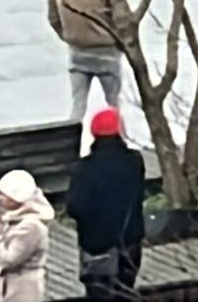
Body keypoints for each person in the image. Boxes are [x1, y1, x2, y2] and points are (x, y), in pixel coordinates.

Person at [67, 108, 145, 301]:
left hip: (97, 246)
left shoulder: (84, 169)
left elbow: (75, 207)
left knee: (98, 295)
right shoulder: (134, 161)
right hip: (129, 242)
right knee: (125, 293)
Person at [48, 0, 131, 122]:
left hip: (77, 50)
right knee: (114, 105)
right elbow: (121, 18)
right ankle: (120, 144)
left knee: (77, 106)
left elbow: (53, 18)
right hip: (106, 51)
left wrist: (69, 36)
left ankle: (71, 145)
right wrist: (123, 44)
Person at [0, 170, 54, 302]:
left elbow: (8, 259)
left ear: (16, 198)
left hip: (21, 290)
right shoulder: (17, 218)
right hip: (12, 286)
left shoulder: (31, 227)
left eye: (4, 195)